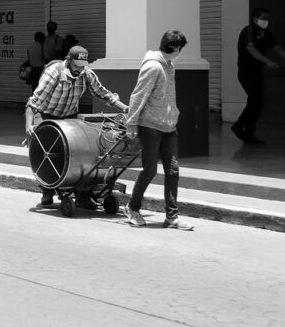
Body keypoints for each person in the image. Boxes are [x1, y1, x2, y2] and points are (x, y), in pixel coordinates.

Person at [26, 45, 129, 208]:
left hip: (68, 115)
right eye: (76, 66)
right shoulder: (53, 73)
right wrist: (29, 125)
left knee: (83, 153)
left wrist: (125, 108)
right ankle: (47, 189)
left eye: (82, 66)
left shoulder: (86, 73)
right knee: (45, 149)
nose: (79, 70)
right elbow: (34, 102)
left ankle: (82, 196)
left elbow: (104, 94)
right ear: (68, 61)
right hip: (46, 113)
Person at [124, 29, 194, 231]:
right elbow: (138, 95)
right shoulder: (154, 67)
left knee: (173, 170)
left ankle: (172, 217)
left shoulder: (170, 65)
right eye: (180, 49)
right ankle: (132, 207)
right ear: (176, 48)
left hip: (169, 125)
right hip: (151, 126)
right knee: (150, 170)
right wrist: (131, 123)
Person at [231, 8, 285, 144]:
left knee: (258, 102)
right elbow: (251, 49)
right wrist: (267, 61)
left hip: (257, 72)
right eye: (263, 18)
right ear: (255, 19)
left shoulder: (266, 34)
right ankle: (239, 126)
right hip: (246, 72)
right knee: (255, 99)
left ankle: (248, 132)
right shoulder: (249, 30)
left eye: (267, 18)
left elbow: (277, 48)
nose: (266, 21)